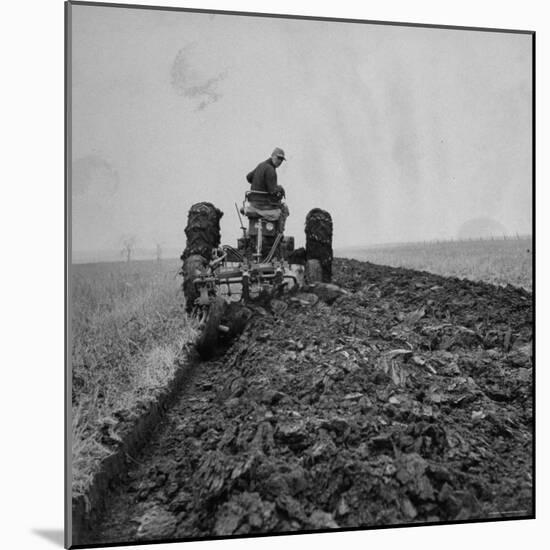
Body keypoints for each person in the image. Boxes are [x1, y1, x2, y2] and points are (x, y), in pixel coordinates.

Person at [246, 147, 289, 231]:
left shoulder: (261, 165)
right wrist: (279, 188)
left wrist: (260, 182)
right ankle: (279, 233)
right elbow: (272, 191)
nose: (280, 161)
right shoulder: (271, 170)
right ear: (272, 156)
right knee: (284, 209)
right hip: (264, 205)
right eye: (278, 158)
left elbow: (248, 177)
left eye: (281, 159)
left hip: (254, 203)